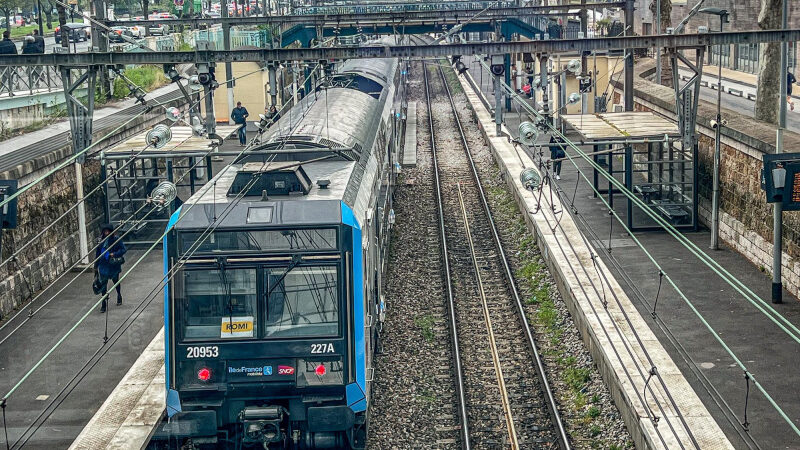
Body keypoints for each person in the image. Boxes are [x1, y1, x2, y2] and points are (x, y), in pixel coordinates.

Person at [94, 224, 127, 313]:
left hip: (113, 265)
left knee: (116, 281)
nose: (106, 233)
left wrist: (114, 254)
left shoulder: (116, 240)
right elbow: (97, 254)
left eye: (108, 231)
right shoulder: (100, 241)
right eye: (105, 232)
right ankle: (103, 304)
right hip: (103, 265)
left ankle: (119, 295)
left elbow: (123, 249)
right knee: (103, 284)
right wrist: (95, 266)